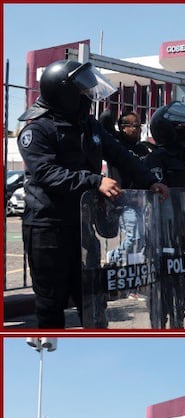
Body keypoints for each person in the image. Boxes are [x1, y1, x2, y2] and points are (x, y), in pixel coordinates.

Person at [17, 60, 168, 328]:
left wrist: (149, 180)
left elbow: (120, 154)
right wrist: (94, 181)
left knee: (91, 297)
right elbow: (47, 173)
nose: (87, 95)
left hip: (82, 224)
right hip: (48, 227)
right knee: (51, 302)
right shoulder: (37, 129)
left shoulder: (88, 124)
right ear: (65, 93)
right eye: (82, 90)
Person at [142, 101, 185, 329]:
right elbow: (160, 202)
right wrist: (181, 226)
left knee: (183, 286)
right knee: (161, 288)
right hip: (164, 235)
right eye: (184, 126)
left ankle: (178, 322)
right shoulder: (156, 159)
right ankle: (159, 329)